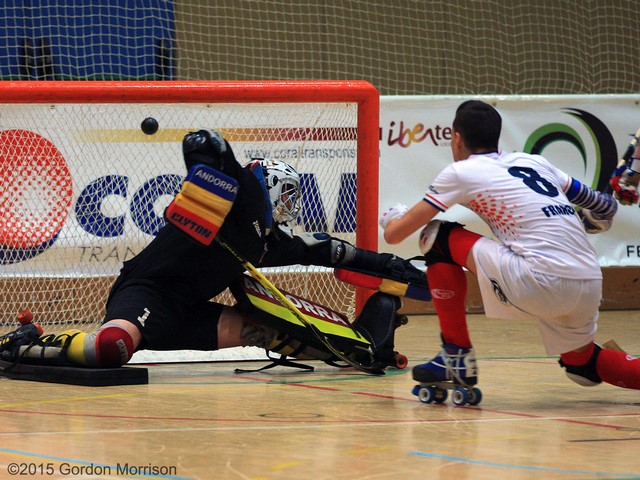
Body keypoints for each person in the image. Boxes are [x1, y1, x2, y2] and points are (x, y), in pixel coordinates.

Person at [11, 129, 427, 372]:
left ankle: (359, 351)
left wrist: (389, 265)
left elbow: (323, 250)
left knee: (267, 331)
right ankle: (23, 342)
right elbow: (204, 144)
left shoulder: (264, 242)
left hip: (188, 311)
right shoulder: (240, 198)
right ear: (273, 190)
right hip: (146, 292)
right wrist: (204, 171)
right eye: (287, 198)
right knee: (112, 348)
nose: (288, 209)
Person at [379, 99, 640, 391]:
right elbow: (604, 208)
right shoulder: (533, 161)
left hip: (540, 279)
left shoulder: (460, 172)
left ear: (457, 138)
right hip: (589, 282)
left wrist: (391, 217)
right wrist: (593, 217)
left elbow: (396, 235)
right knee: (582, 364)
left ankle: (456, 356)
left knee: (436, 238)